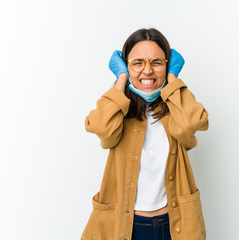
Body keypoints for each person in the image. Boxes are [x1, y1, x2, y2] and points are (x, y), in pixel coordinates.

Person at [81, 28, 209, 240]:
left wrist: (172, 79)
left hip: (174, 224)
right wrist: (121, 79)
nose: (147, 71)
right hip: (126, 226)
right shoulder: (119, 112)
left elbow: (192, 123)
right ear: (126, 65)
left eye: (157, 62)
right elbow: (101, 127)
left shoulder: (176, 110)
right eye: (137, 63)